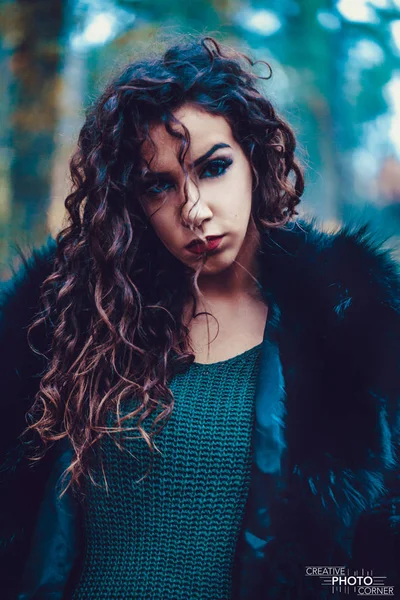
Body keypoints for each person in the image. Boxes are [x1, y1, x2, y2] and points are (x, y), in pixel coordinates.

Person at [0, 35, 399, 600]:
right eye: (159, 185)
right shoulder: (71, 318)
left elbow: (378, 575)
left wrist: (317, 586)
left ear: (256, 157)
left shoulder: (354, 325)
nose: (193, 209)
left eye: (213, 167)